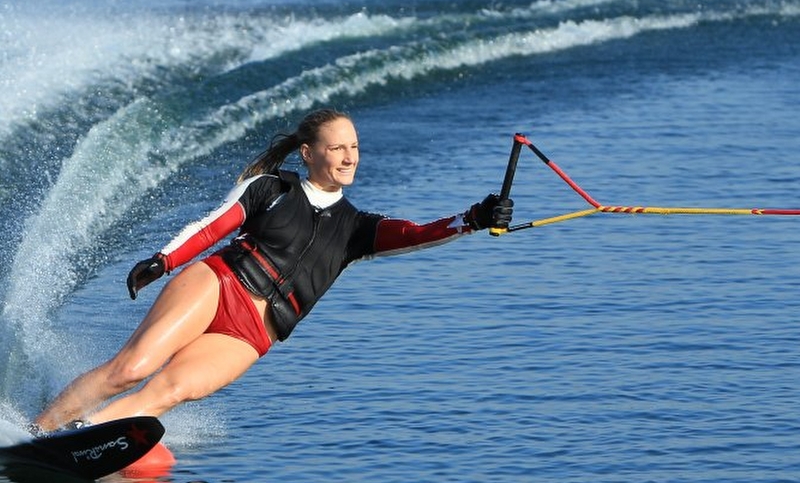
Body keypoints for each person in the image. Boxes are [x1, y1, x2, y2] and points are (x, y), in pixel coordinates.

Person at [30, 108, 512, 435]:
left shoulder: (356, 229)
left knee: (171, 390)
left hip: (253, 332)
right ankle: (42, 429)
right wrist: (163, 261)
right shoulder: (272, 188)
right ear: (309, 152)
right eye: (338, 147)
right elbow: (212, 226)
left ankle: (87, 440)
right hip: (218, 285)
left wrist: (473, 218)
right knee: (131, 368)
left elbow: (416, 233)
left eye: (355, 147)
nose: (349, 157)